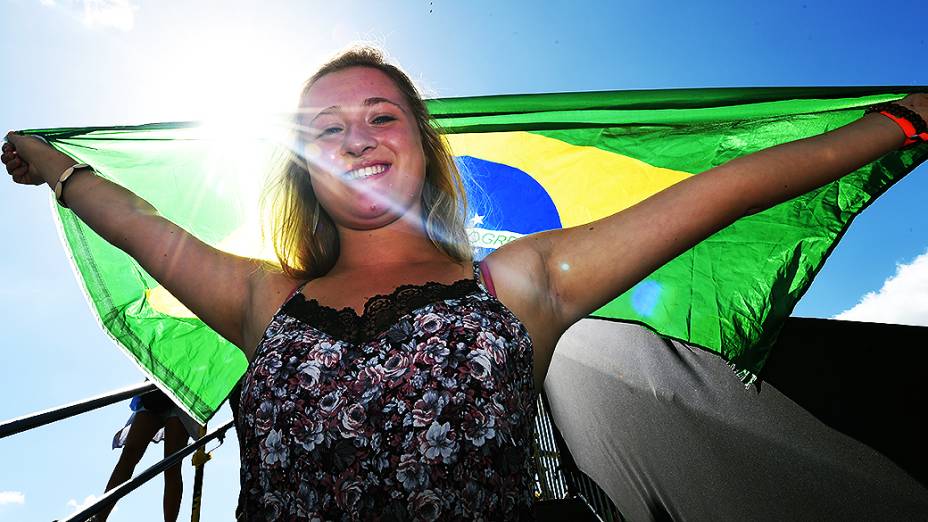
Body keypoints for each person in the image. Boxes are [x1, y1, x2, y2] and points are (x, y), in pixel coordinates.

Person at [3, 47, 926, 520]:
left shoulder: (528, 280)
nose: (357, 137)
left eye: (382, 115)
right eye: (325, 128)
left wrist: (905, 121)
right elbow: (139, 227)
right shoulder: (259, 299)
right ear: (303, 169)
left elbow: (723, 189)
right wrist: (56, 171)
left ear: (423, 144)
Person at [99, 387, 196, 522]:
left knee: (171, 465)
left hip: (184, 394)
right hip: (157, 391)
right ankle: (99, 517)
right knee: (130, 453)